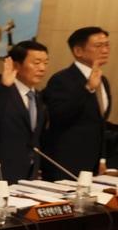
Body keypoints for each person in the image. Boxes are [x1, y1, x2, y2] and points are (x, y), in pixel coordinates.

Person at [41, 27, 110, 179]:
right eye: (98, 46)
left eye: (107, 45)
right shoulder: (61, 79)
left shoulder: (103, 80)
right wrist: (88, 88)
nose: (105, 50)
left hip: (92, 164)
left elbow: (100, 123)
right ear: (78, 51)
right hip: (65, 161)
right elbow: (59, 116)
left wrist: (102, 158)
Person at [0, 41, 49, 184]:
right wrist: (4, 87)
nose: (42, 68)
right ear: (16, 65)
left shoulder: (38, 96)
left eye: (45, 63)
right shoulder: (0, 91)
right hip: (2, 174)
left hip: (29, 174)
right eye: (36, 63)